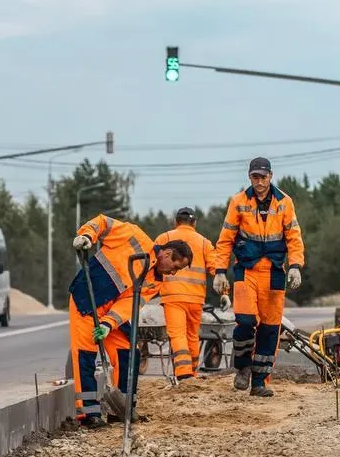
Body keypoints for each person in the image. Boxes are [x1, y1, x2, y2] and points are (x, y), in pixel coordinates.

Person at [69, 213, 193, 428]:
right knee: (86, 354)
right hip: (86, 299)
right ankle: (89, 414)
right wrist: (87, 235)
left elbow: (128, 305)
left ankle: (123, 409)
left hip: (109, 312)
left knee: (129, 351)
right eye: (175, 267)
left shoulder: (156, 282)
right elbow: (103, 222)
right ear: (167, 253)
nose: (173, 273)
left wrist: (108, 324)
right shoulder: (134, 236)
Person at [211, 157, 305, 397]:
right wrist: (220, 271)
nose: (260, 181)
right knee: (244, 320)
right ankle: (242, 367)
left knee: (270, 329)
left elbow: (294, 237)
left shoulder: (285, 202)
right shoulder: (239, 202)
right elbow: (225, 239)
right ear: (249, 177)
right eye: (255, 177)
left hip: (274, 272)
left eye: (263, 177)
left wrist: (295, 266)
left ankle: (260, 381)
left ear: (271, 176)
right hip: (247, 269)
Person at [153, 207, 214, 381]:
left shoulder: (164, 238)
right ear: (195, 223)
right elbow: (216, 268)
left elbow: (152, 263)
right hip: (196, 298)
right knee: (192, 336)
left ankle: (183, 374)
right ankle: (192, 373)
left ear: (175, 221)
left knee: (178, 335)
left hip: (172, 296)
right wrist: (224, 292)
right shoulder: (204, 242)